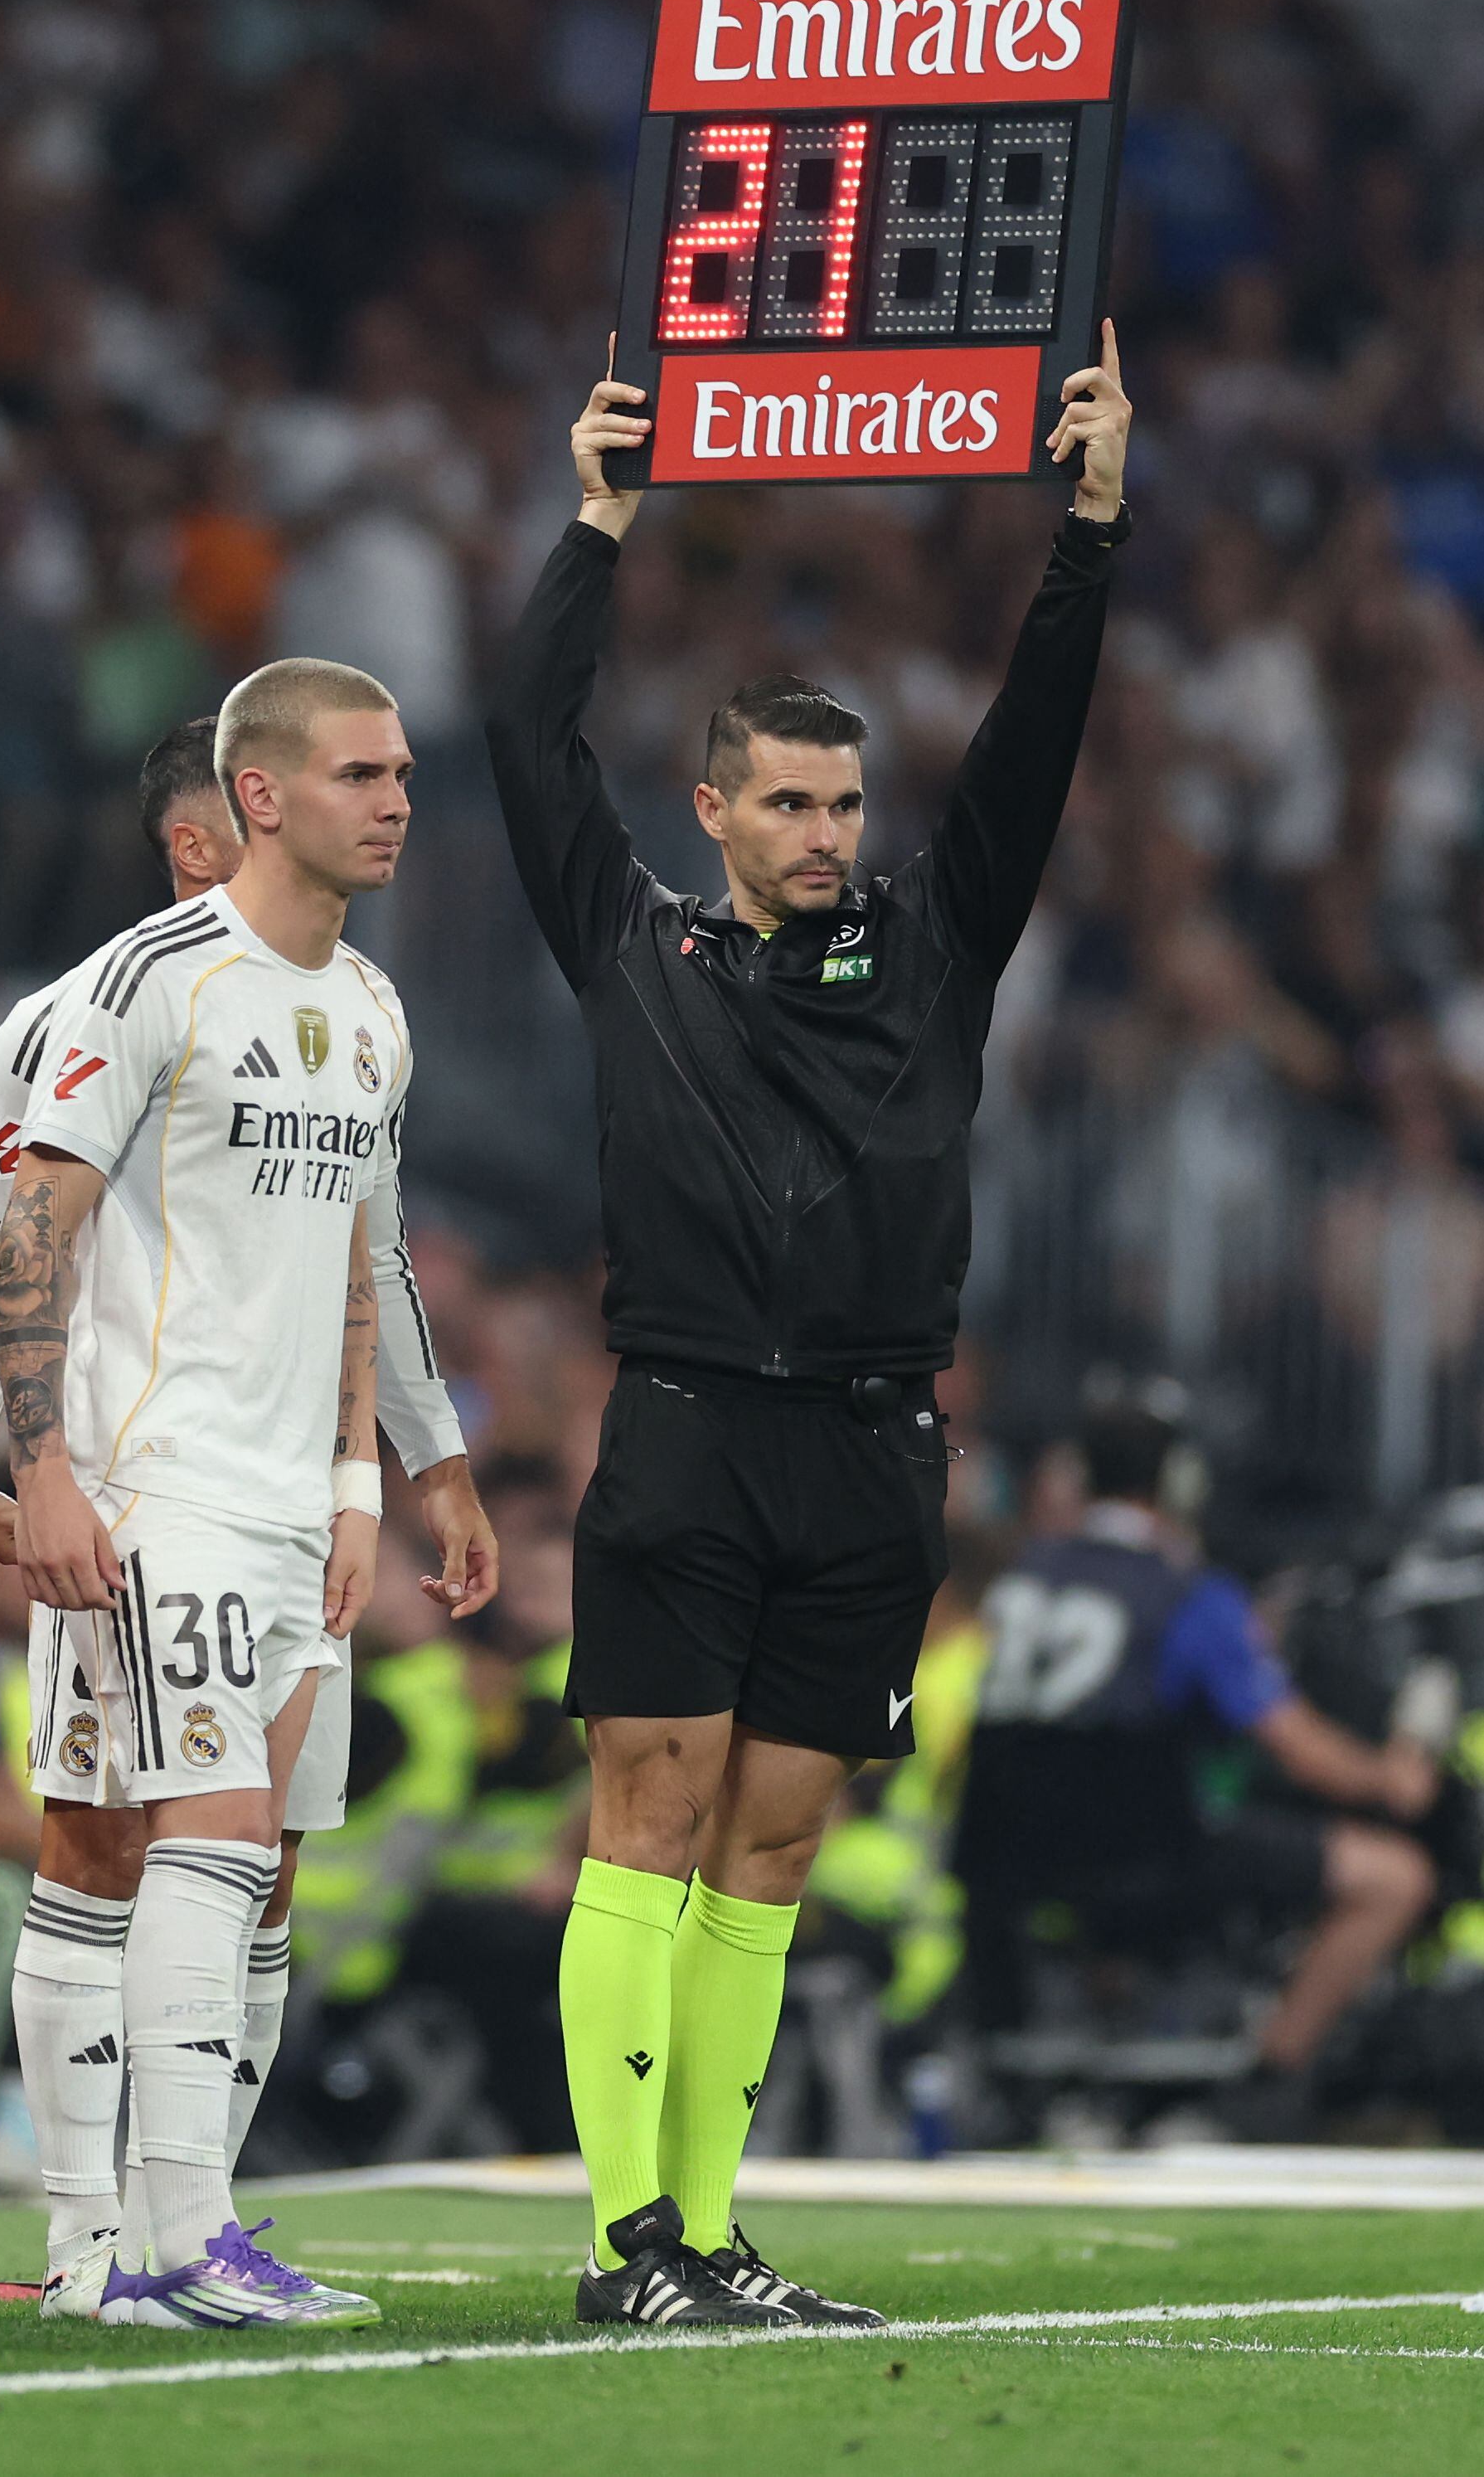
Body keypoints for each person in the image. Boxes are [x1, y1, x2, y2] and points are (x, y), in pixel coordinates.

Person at [483, 330, 1132, 2330]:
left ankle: (706, 2227)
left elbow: (1031, 743)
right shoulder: (631, 940)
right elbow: (525, 738)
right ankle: (623, 2242)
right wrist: (597, 521)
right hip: (684, 1424)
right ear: (713, 805)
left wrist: (1089, 523)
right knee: (651, 1809)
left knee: (772, 1842)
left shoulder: (934, 946)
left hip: (872, 1444)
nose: (827, 828)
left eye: (846, 800)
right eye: (787, 799)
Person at [0, 715, 494, 2316]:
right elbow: (15, 1232)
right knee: (179, 1836)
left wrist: (403, 1464)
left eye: (400, 776)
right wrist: (3, 1462)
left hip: (286, 1501)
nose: (398, 801)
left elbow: (367, 1257)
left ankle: (129, 2248)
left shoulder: (372, 1006)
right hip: (147, 1478)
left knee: (245, 1854)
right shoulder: (133, 988)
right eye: (363, 775)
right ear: (253, 801)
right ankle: (157, 2239)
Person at [956, 1388, 1438, 2137]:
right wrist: (1391, 1774)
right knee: (1394, 1876)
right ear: (1179, 1483)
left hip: (1008, 1860)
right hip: (1145, 1861)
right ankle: (1258, 2090)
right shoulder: (1186, 1593)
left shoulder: (1022, 1579)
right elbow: (1299, 1750)